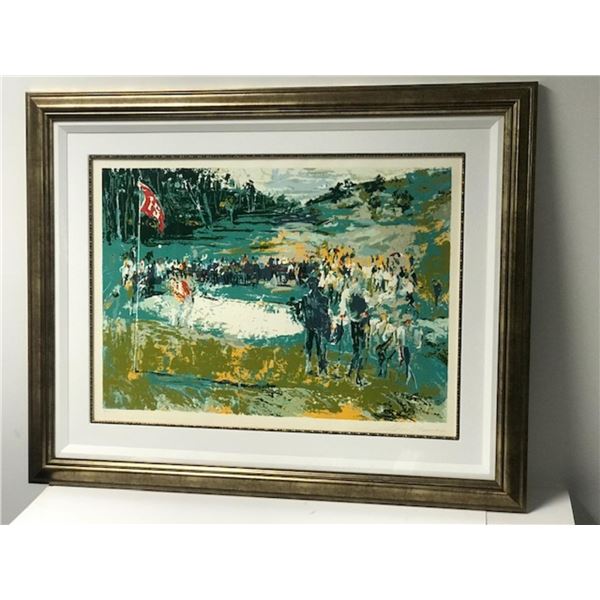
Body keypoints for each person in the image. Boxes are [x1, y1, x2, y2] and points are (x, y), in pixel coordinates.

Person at [340, 279, 370, 385]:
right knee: (362, 349)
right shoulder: (361, 300)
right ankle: (358, 376)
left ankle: (351, 372)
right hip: (361, 324)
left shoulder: (348, 298)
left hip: (353, 323)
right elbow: (365, 313)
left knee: (356, 348)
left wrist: (343, 314)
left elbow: (344, 309)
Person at [299, 275, 330, 376]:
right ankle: (310, 366)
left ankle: (320, 368)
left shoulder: (323, 299)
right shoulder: (306, 298)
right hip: (311, 325)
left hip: (317, 325)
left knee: (319, 347)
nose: (310, 286)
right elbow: (302, 312)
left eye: (312, 284)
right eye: (309, 284)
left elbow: (325, 313)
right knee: (310, 345)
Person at [371, 312, 396, 377]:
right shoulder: (379, 325)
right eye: (383, 317)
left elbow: (391, 336)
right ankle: (381, 372)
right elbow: (375, 333)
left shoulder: (390, 326)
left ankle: (383, 373)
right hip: (380, 344)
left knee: (384, 359)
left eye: (385, 317)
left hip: (386, 344)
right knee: (381, 359)